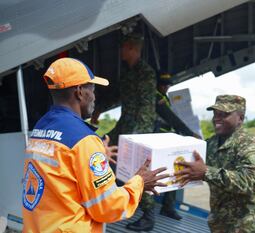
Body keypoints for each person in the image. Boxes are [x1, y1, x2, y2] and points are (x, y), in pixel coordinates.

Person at [22, 58, 169, 232]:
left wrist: (94, 157)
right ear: (79, 91)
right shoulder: (84, 141)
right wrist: (140, 183)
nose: (94, 96)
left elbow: (61, 176)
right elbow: (107, 207)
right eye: (92, 89)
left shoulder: (41, 127)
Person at [175, 95, 255, 233]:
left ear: (240, 118)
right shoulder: (212, 143)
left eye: (224, 114)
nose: (216, 118)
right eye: (215, 114)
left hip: (253, 224)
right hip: (224, 221)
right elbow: (193, 165)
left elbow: (251, 182)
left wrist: (206, 172)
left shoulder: (249, 145)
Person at [91, 33, 158, 232]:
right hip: (125, 124)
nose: (120, 51)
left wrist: (137, 138)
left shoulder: (145, 73)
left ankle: (149, 215)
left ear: (131, 48)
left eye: (123, 47)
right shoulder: (129, 73)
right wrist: (99, 109)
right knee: (101, 145)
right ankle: (112, 200)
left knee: (138, 167)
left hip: (139, 128)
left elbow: (147, 106)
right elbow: (119, 97)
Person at [151, 72, 201, 220]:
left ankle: (168, 207)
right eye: (163, 84)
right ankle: (149, 210)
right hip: (157, 140)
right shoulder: (156, 97)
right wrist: (189, 133)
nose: (166, 87)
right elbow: (171, 118)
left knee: (173, 172)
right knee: (156, 174)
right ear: (157, 84)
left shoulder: (165, 98)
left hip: (167, 139)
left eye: (168, 85)